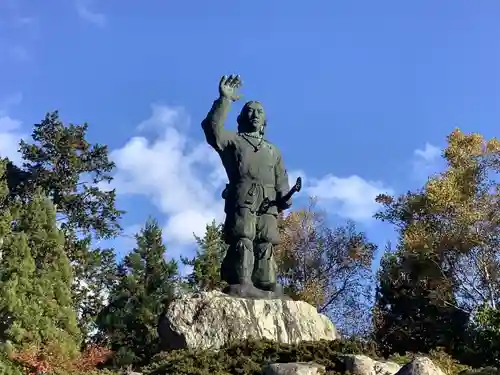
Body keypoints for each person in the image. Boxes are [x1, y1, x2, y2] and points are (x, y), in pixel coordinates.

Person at [201, 74, 292, 297]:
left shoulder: (273, 150)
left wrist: (285, 196)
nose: (255, 114)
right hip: (243, 196)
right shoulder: (235, 141)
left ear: (265, 122)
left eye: (259, 112)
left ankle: (266, 282)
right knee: (243, 235)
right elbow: (213, 131)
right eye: (250, 110)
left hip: (269, 201)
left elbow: (281, 180)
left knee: (266, 241)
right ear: (241, 119)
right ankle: (242, 280)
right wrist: (225, 100)